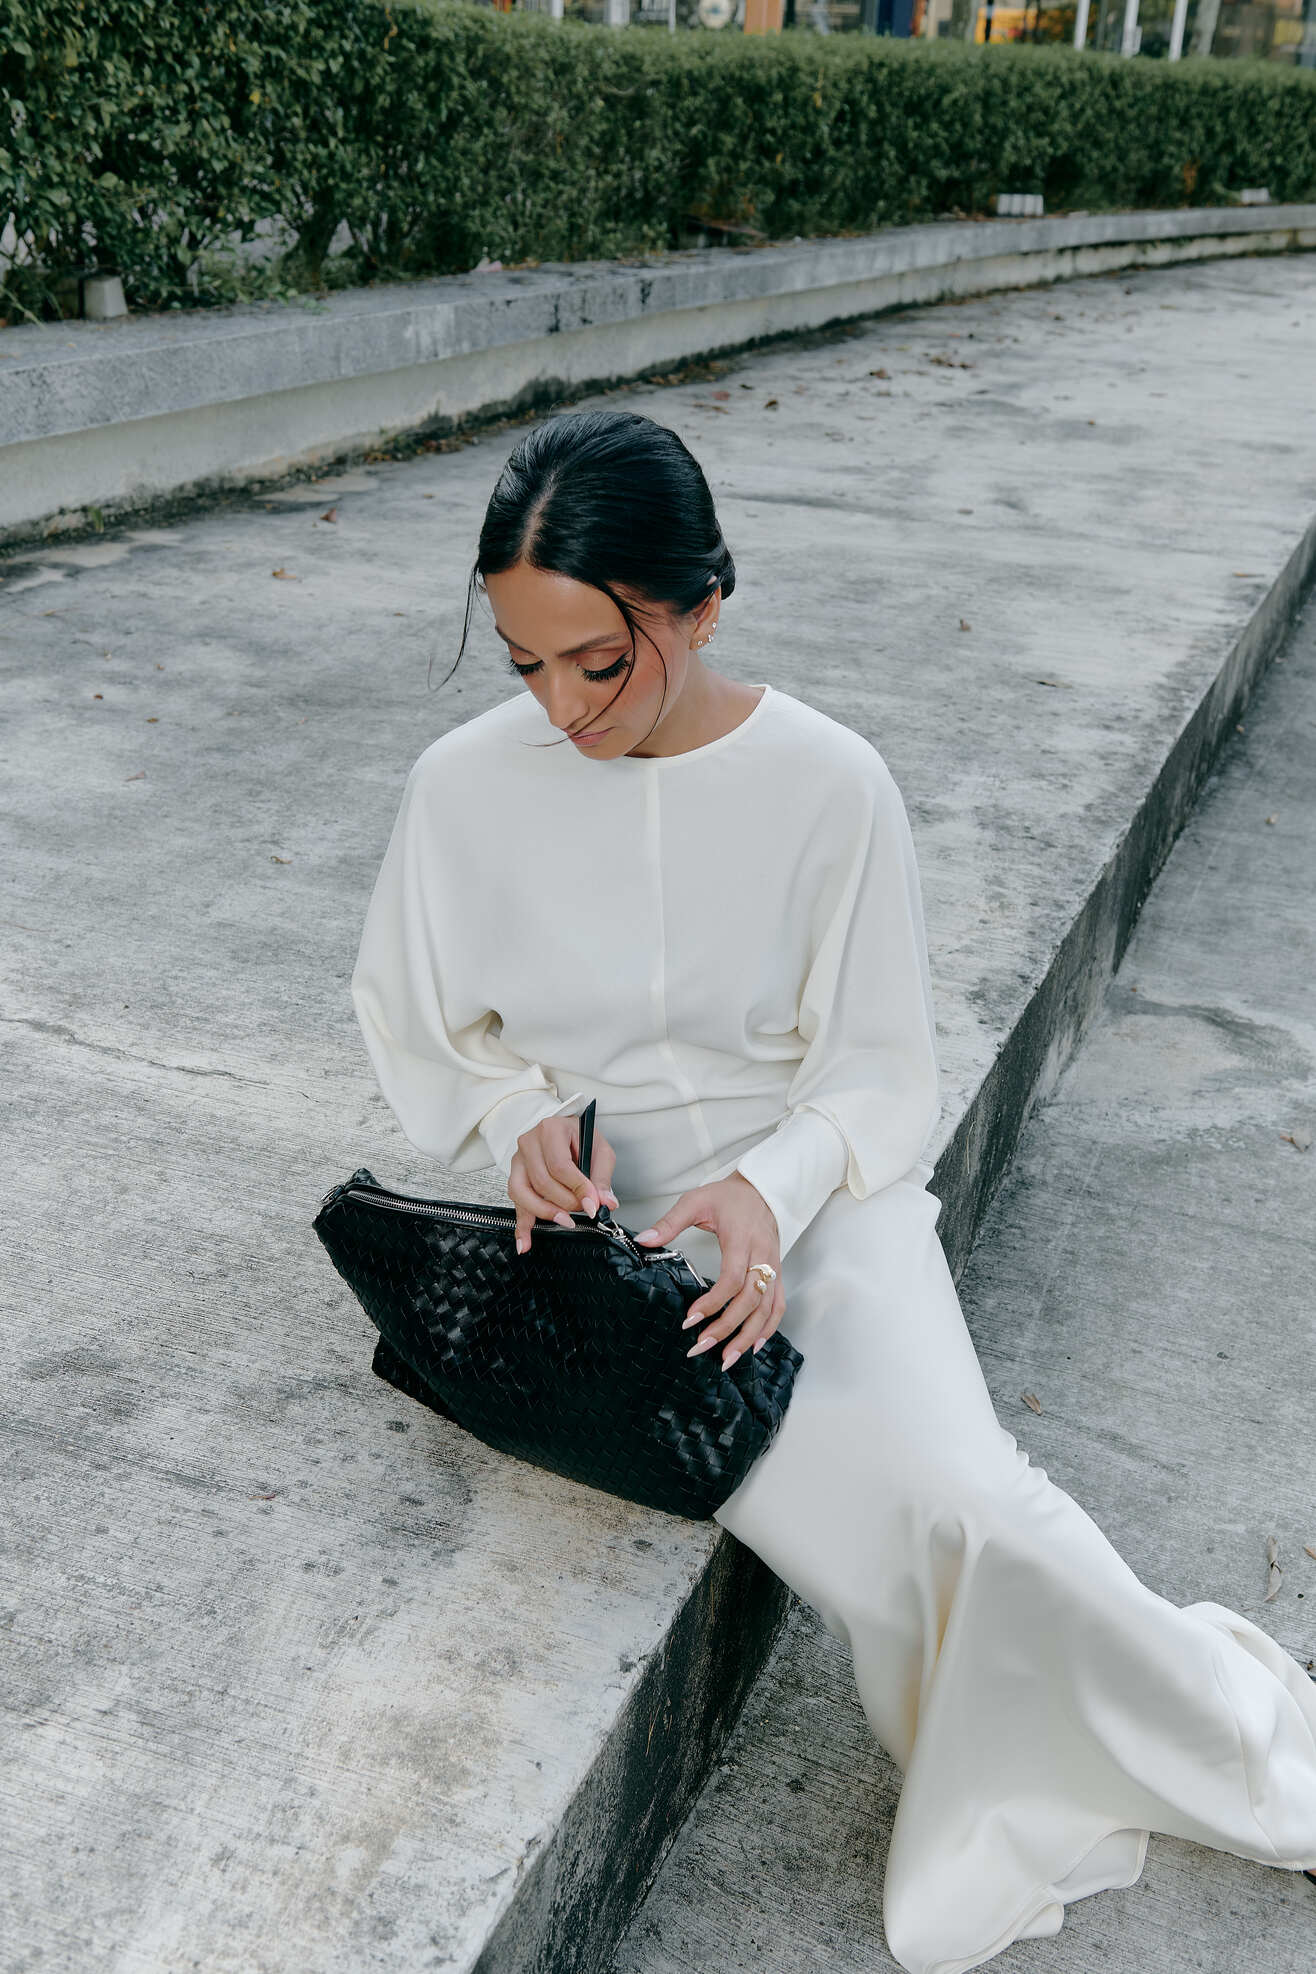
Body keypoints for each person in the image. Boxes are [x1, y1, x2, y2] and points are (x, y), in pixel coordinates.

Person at [349, 408, 1316, 1974]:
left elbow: (879, 1074)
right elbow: (419, 1021)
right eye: (525, 665)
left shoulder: (829, 782)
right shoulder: (462, 788)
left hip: (823, 1199)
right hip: (627, 1247)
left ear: (702, 607)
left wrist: (772, 1188)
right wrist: (515, 1117)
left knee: (975, 1503)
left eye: (598, 660)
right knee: (879, 1534)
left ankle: (1252, 1756)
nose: (560, 707)